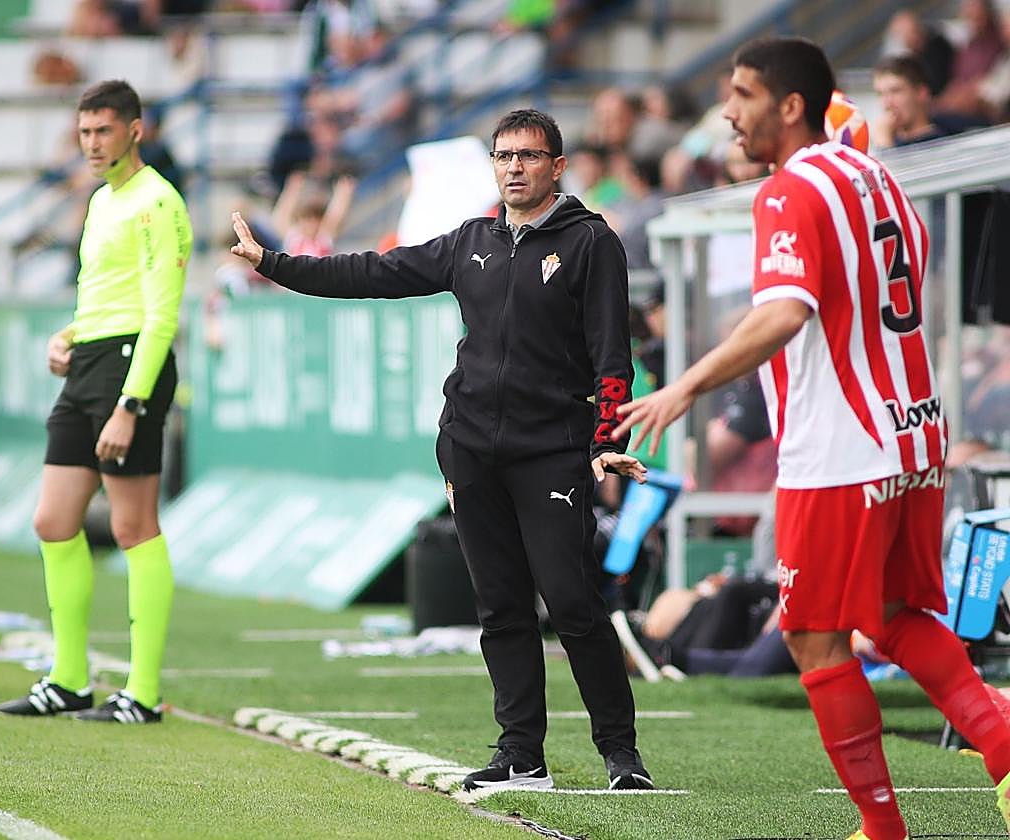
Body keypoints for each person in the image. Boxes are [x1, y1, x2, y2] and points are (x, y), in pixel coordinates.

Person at [614, 36, 1010, 840]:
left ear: (790, 106)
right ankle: (1007, 750)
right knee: (895, 613)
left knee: (813, 638)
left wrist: (686, 385)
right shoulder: (874, 173)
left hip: (840, 450)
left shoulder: (789, 192)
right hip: (914, 433)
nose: (727, 111)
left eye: (744, 94)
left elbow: (787, 311)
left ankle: (882, 828)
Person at [230, 109, 654, 793]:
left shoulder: (590, 244)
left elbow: (613, 352)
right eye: (503, 155)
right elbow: (372, 271)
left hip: (552, 450)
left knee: (571, 600)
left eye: (528, 155)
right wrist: (274, 264)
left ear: (557, 165)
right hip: (471, 448)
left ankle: (621, 754)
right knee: (500, 606)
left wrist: (606, 441)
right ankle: (523, 757)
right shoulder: (470, 241)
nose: (514, 166)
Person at [0, 80, 191, 724]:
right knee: (53, 521)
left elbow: (161, 313)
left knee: (135, 526)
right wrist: (69, 335)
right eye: (83, 133)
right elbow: (106, 295)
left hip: (131, 367)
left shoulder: (158, 202)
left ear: (136, 130)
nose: (91, 144)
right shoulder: (102, 201)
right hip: (88, 364)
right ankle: (70, 680)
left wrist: (131, 405)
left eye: (103, 131)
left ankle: (142, 691)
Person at [871, 55, 949, 148]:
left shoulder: (937, 143)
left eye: (896, 91)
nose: (887, 103)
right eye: (881, 94)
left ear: (921, 93)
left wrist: (883, 142)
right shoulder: (891, 139)